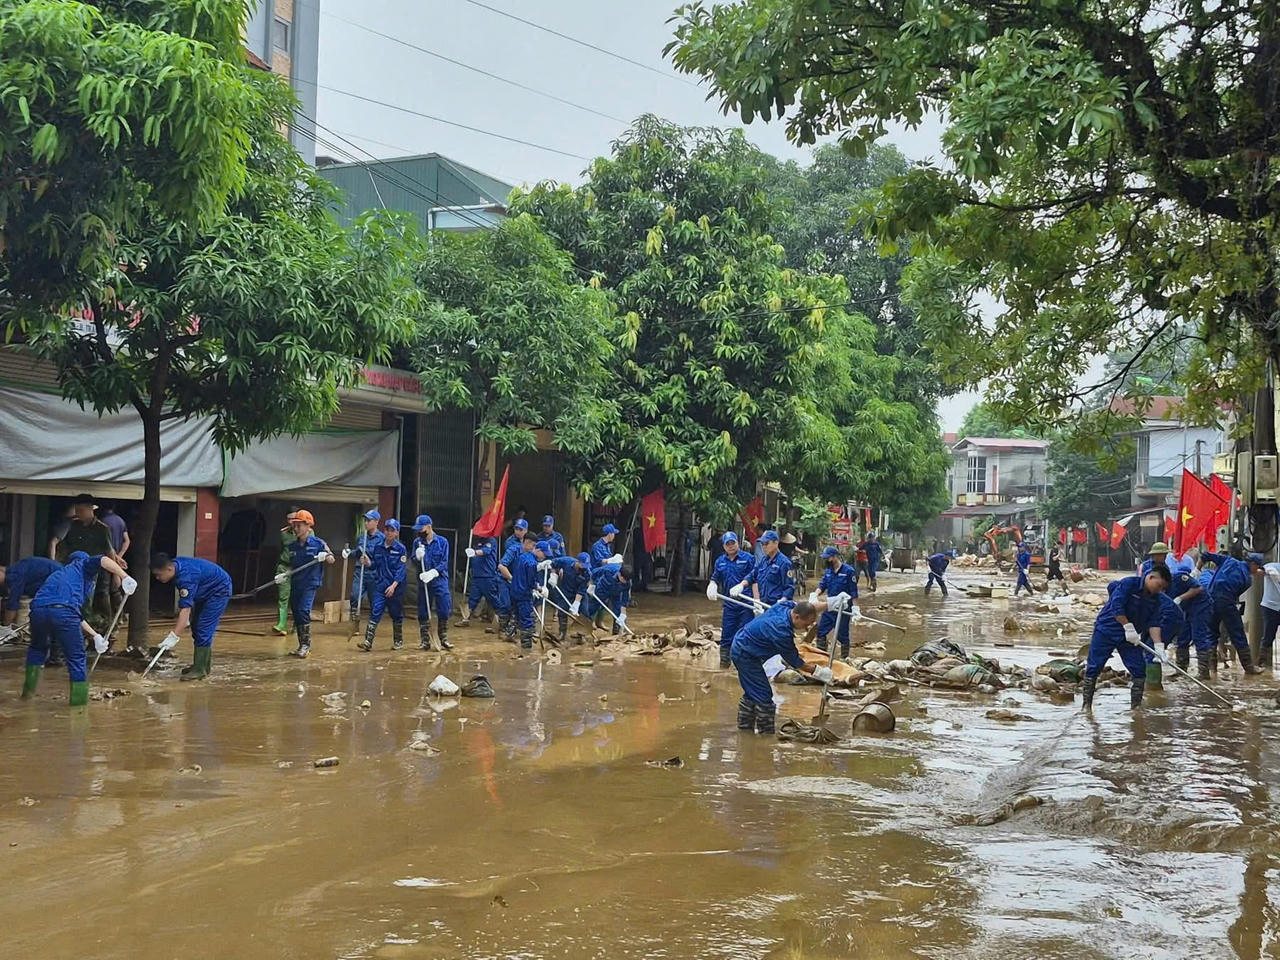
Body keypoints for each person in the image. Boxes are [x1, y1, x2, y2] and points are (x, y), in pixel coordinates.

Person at [22, 551, 133, 705]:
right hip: (64, 612)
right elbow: (103, 559)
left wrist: (95, 636)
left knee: (37, 649)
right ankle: (79, 707)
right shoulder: (82, 565)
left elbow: (72, 612)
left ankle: (27, 695)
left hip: (38, 612)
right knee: (76, 658)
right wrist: (124, 576)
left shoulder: (60, 575)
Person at [730, 596, 849, 735]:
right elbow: (795, 662)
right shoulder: (781, 632)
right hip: (744, 654)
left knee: (754, 691)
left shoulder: (786, 606)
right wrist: (819, 672)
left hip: (748, 647)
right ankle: (765, 737)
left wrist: (830, 604)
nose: (807, 628)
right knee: (764, 696)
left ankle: (745, 731)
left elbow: (810, 607)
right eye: (806, 624)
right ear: (797, 617)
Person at [1081, 565, 1171, 709]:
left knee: (1139, 671)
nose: (1158, 590)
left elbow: (1155, 622)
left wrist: (1159, 646)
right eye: (1158, 585)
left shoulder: (1156, 599)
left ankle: (1136, 710)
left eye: (1162, 588)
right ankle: (1086, 707)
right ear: (1151, 577)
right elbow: (1116, 606)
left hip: (1130, 638)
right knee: (1094, 667)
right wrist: (1127, 626)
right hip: (1107, 631)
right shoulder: (1129, 584)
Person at [149, 552, 232, 680]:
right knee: (196, 625)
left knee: (203, 627)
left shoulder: (186, 577)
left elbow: (185, 610)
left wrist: (174, 636)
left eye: (158, 575)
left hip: (218, 590)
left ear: (169, 569)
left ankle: (200, 670)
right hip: (205, 590)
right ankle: (202, 665)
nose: (157, 578)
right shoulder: (176, 567)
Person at [51, 494, 123, 635]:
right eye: (77, 510)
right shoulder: (73, 526)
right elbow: (64, 547)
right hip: (76, 569)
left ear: (91, 509)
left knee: (101, 599)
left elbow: (110, 551)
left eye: (82, 510)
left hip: (98, 570)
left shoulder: (102, 529)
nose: (79, 513)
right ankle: (82, 630)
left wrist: (116, 574)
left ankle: (108, 631)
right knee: (79, 601)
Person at [1201, 550, 1267, 674]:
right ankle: (1249, 667)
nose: (1256, 570)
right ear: (1253, 564)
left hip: (1210, 600)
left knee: (1210, 634)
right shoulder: (1247, 580)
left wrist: (1197, 569)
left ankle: (1209, 668)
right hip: (1226, 602)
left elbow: (1205, 555)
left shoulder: (1228, 560)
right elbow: (1235, 595)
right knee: (1238, 633)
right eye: (1257, 566)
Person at [282, 510, 335, 658]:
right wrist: (284, 574)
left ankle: (306, 645)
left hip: (310, 583)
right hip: (296, 583)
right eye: (295, 525)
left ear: (308, 526)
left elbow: (332, 559)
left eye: (299, 525)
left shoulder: (318, 543)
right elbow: (291, 566)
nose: (296, 528)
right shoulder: (293, 546)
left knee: (304, 610)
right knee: (297, 613)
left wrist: (325, 556)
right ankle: (301, 645)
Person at [357, 519, 407, 651]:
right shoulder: (378, 547)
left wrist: (393, 586)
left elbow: (401, 570)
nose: (389, 533)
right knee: (375, 611)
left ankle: (398, 641)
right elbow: (374, 565)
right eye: (387, 530)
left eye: (392, 530)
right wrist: (368, 563)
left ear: (396, 533)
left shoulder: (400, 549)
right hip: (380, 585)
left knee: (396, 614)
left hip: (395, 587)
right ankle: (368, 642)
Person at [708, 532, 754, 668]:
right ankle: (724, 665)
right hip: (729, 604)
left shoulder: (748, 559)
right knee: (726, 635)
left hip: (746, 604)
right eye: (728, 544)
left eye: (733, 543)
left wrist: (757, 601)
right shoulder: (720, 561)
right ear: (724, 546)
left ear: (738, 543)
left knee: (744, 635)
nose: (731, 546)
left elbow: (755, 579)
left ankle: (743, 666)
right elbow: (715, 577)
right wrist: (712, 585)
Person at [412, 515, 452, 651]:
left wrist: (433, 572)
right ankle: (425, 640)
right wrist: (417, 557)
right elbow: (413, 560)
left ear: (429, 527)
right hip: (424, 581)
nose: (419, 532)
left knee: (444, 608)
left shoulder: (442, 542)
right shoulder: (417, 542)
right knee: (423, 610)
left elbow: (444, 562)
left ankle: (443, 637)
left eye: (421, 528)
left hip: (439, 579)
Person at [812, 546, 859, 657]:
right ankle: (822, 656)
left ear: (835, 557)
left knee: (842, 636)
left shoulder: (849, 571)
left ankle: (844, 659)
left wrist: (856, 608)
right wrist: (815, 594)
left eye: (828, 558)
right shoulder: (828, 571)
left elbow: (854, 592)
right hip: (830, 606)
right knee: (821, 631)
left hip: (843, 609)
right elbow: (822, 585)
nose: (826, 561)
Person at [739, 530, 794, 612]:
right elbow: (753, 575)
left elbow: (789, 587)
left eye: (767, 543)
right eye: (762, 544)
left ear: (776, 543)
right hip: (764, 605)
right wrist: (741, 585)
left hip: (778, 607)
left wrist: (783, 600)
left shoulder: (784, 563)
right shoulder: (764, 561)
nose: (764, 547)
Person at [0, 556, 61, 628]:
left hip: (58, 586)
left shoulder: (14, 575)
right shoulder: (16, 571)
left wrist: (4, 627)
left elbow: (12, 605)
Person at [461, 534, 507, 627]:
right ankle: (466, 618)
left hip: (487, 576)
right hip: (477, 575)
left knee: (493, 599)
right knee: (472, 598)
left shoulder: (491, 540)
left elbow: (486, 551)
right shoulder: (477, 541)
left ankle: (502, 620)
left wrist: (475, 552)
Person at [349, 509, 383, 622]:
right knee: (355, 595)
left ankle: (372, 626)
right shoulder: (361, 537)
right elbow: (357, 552)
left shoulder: (381, 539)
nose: (366, 523)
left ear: (376, 522)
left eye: (369, 520)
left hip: (374, 573)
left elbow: (381, 559)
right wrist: (349, 553)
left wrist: (370, 562)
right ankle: (354, 622)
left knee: (374, 600)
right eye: (365, 520)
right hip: (360, 571)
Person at [550, 551, 592, 643]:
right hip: (565, 591)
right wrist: (553, 575)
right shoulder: (566, 561)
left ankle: (581, 634)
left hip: (579, 594)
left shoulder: (587, 573)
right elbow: (553, 563)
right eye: (583, 565)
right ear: (578, 562)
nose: (584, 567)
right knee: (562, 611)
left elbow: (581, 590)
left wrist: (576, 603)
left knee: (584, 612)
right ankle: (562, 633)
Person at [508, 533, 540, 651]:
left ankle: (508, 634)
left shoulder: (520, 557)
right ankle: (526, 647)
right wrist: (537, 588)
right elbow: (531, 581)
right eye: (534, 545)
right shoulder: (531, 562)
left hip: (515, 591)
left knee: (515, 615)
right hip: (524, 594)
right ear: (528, 543)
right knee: (527, 620)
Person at [587, 560, 633, 634]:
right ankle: (581, 631)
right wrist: (591, 584)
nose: (624, 582)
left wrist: (623, 614)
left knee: (618, 613)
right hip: (602, 590)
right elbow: (594, 572)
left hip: (616, 594)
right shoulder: (610, 569)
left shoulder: (628, 582)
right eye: (623, 579)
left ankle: (616, 634)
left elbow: (625, 598)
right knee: (591, 609)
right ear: (619, 574)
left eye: (626, 580)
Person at [1260, 558, 1280, 669]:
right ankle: (1261, 663)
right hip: (1270, 607)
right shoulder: (1271, 566)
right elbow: (1265, 569)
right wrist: (1274, 575)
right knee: (1268, 636)